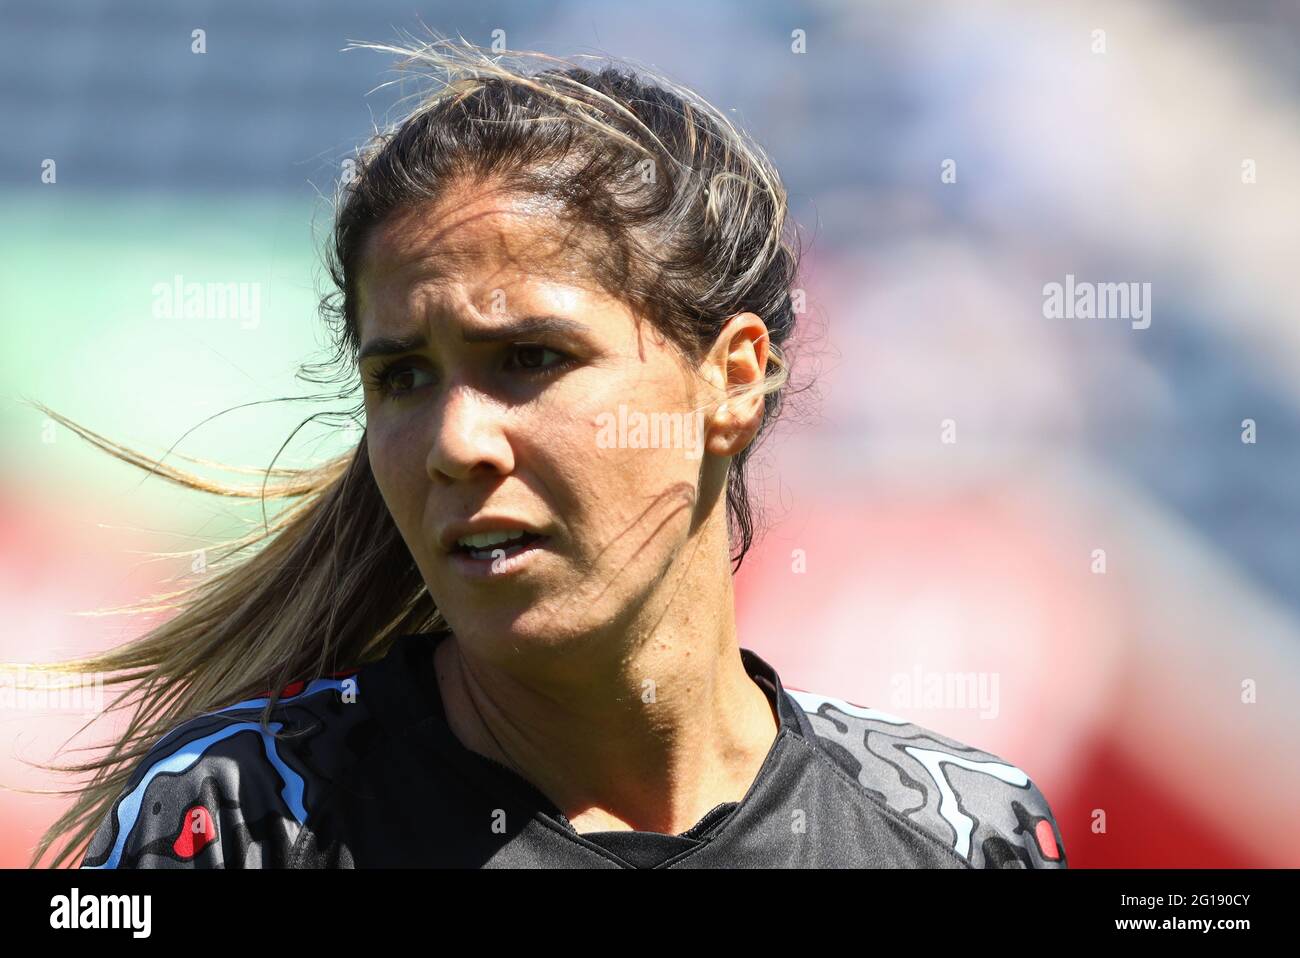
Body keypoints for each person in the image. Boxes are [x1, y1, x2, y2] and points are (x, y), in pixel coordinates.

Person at [28, 35, 1066, 869]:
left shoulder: (960, 830)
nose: (455, 443)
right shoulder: (235, 823)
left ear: (733, 380)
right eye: (404, 377)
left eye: (529, 357)